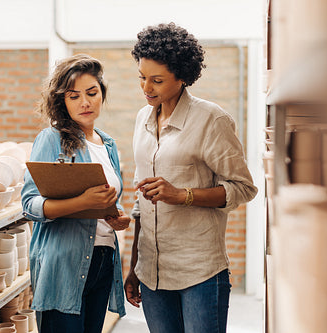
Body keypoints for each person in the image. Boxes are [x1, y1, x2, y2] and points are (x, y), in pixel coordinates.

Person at [124, 23, 258, 333]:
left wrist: (181, 195)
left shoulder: (212, 120)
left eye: (157, 80)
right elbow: (139, 202)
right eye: (142, 78)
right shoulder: (142, 118)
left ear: (183, 76)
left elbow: (243, 188)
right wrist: (133, 268)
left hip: (200, 272)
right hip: (152, 273)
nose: (146, 88)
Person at [21, 54, 130, 333]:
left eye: (92, 93)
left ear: (102, 94)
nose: (85, 102)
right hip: (64, 264)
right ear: (62, 101)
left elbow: (106, 204)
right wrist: (81, 202)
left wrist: (115, 217)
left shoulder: (108, 145)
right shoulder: (52, 139)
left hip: (103, 261)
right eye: (74, 96)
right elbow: (30, 204)